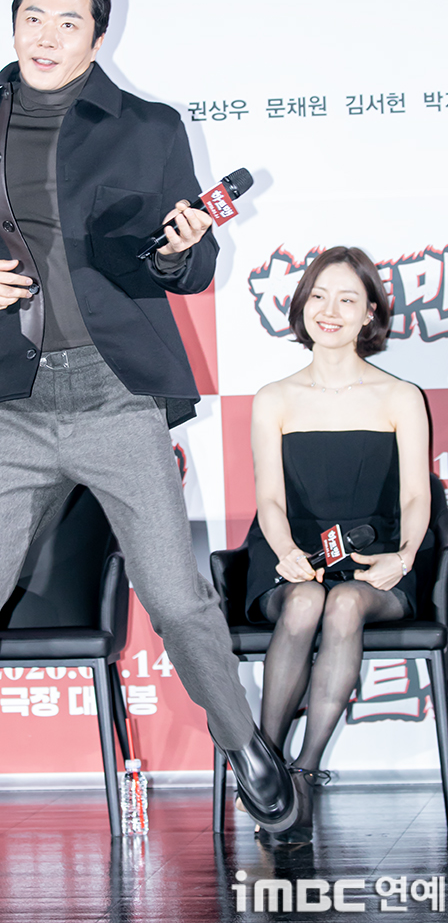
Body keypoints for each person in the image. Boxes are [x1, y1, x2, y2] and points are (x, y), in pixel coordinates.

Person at [0, 0, 296, 886]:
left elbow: (186, 270)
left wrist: (181, 248)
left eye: (69, 22)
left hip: (115, 395)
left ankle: (245, 742)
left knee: (175, 595)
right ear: (13, 23)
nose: (47, 37)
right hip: (9, 407)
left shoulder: (147, 127)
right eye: (34, 17)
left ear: (99, 36)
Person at [246, 246, 431, 843]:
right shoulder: (274, 397)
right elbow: (269, 499)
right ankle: (266, 763)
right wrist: (285, 551)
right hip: (292, 552)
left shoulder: (400, 396)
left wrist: (403, 557)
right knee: (305, 600)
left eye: (347, 299)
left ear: (369, 312)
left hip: (380, 558)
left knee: (346, 602)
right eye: (319, 296)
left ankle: (303, 771)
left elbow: (415, 497)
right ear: (302, 306)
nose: (330, 310)